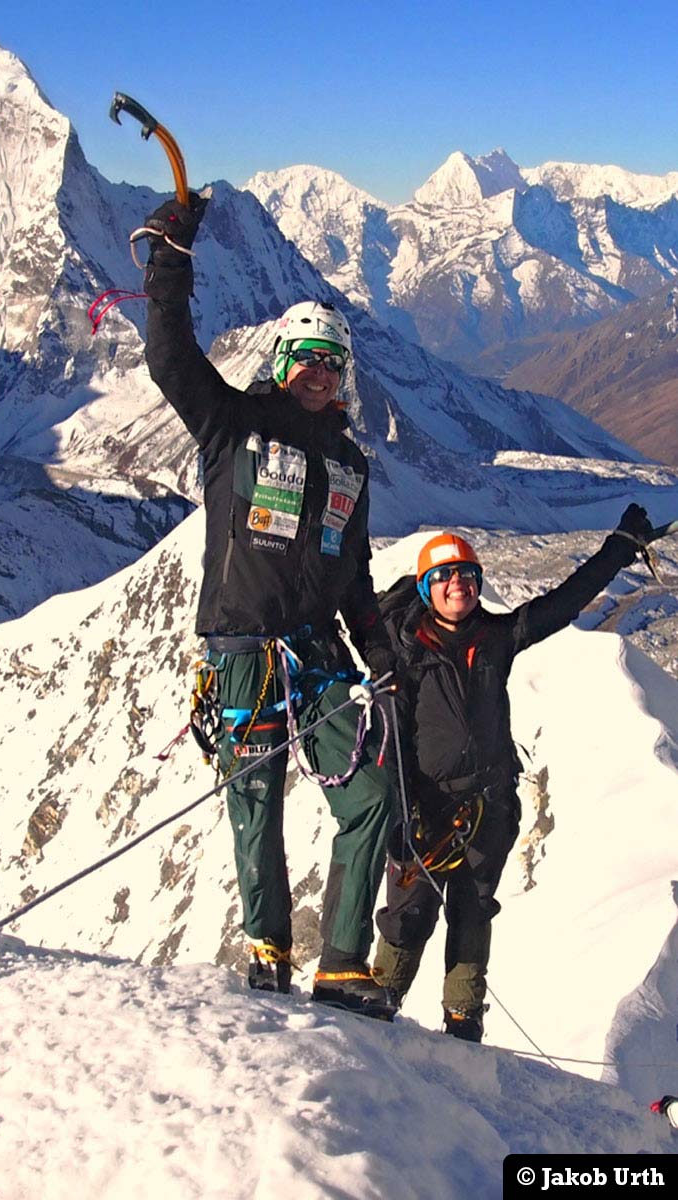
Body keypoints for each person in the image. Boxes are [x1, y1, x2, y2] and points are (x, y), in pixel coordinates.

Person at [141, 191, 399, 1017]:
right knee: (255, 807)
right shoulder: (232, 423)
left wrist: (383, 653)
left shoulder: (350, 466)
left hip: (317, 649)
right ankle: (269, 953)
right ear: (283, 361)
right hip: (243, 650)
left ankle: (344, 964)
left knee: (367, 796)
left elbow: (353, 578)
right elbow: (171, 360)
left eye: (334, 364)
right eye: (309, 359)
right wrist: (170, 262)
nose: (321, 374)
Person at [371, 510, 654, 1041]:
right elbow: (389, 738)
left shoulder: (496, 637)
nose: (460, 585)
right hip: (425, 807)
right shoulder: (402, 653)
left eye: (468, 577)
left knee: (473, 910)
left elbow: (562, 605)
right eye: (447, 577)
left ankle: (463, 1015)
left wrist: (618, 548)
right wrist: (399, 808)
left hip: (487, 805)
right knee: (409, 913)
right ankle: (382, 1000)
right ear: (429, 587)